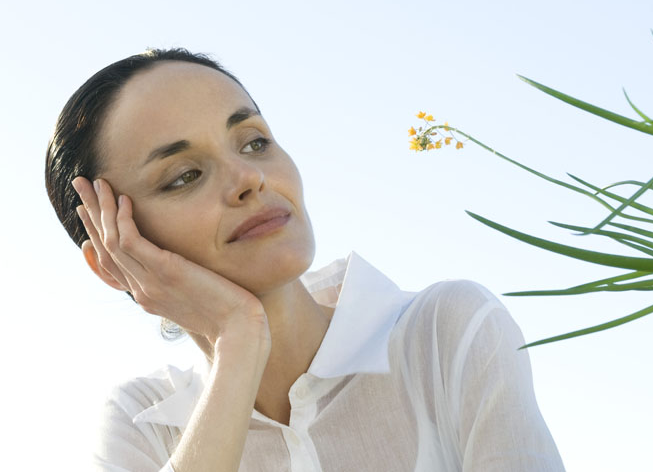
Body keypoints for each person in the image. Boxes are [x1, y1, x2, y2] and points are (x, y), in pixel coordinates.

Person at [45, 48, 564, 472]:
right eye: (184, 176)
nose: (250, 179)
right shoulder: (143, 424)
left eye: (253, 142)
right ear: (113, 260)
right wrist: (238, 342)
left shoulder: (445, 334)